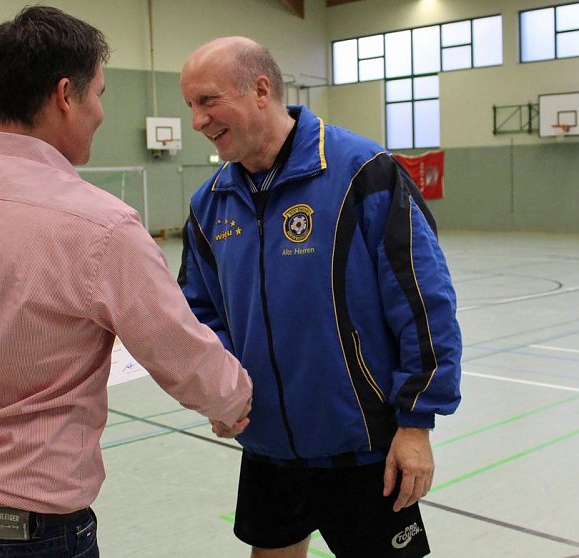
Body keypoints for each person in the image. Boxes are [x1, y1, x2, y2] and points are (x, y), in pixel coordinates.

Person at [0, 6, 252, 558]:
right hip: (31, 533)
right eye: (98, 93)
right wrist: (237, 400)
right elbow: (180, 353)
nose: (101, 112)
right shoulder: (103, 226)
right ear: (65, 95)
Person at [178, 36, 462, 558]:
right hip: (266, 446)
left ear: (260, 90)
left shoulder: (364, 173)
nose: (197, 120)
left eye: (207, 100)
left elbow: (423, 304)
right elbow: (199, 315)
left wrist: (417, 423)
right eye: (190, 105)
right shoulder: (209, 204)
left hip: (361, 444)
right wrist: (217, 389)